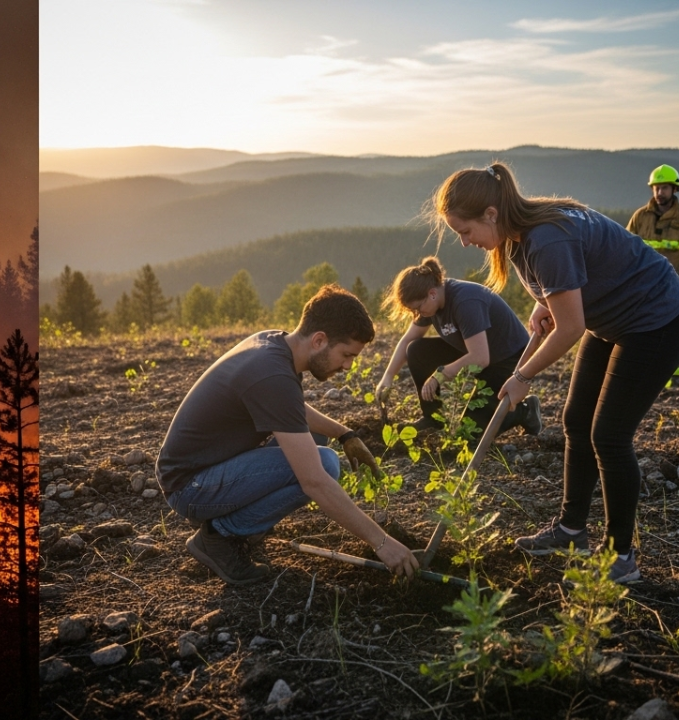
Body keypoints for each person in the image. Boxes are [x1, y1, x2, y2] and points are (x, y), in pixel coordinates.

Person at [429, 161, 679, 583]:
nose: (464, 241)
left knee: (610, 436)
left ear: (491, 214)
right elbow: (580, 274)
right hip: (611, 315)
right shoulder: (522, 229)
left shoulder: (545, 239)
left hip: (654, 320)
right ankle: (570, 532)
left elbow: (571, 329)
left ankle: (621, 558)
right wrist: (549, 299)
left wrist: (522, 376)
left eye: (465, 231)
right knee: (576, 421)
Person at [155, 285, 419, 585]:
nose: (348, 366)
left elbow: (290, 410)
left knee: (316, 441)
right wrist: (382, 543)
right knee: (325, 466)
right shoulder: (272, 375)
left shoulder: (275, 345)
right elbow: (314, 482)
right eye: (346, 355)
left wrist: (345, 434)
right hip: (190, 487)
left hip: (205, 469)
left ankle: (237, 520)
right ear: (319, 340)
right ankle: (219, 535)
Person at [374, 256, 542, 440]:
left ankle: (524, 412)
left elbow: (480, 358)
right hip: (475, 351)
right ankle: (433, 420)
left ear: (432, 293)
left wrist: (440, 375)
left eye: (418, 308)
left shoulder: (465, 302)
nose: (417, 314)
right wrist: (388, 377)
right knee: (416, 350)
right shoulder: (431, 304)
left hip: (508, 360)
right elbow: (407, 340)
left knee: (468, 435)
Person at [626, 164, 679, 246]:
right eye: (657, 188)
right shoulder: (640, 216)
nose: (660, 193)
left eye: (665, 188)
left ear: (674, 189)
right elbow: (626, 244)